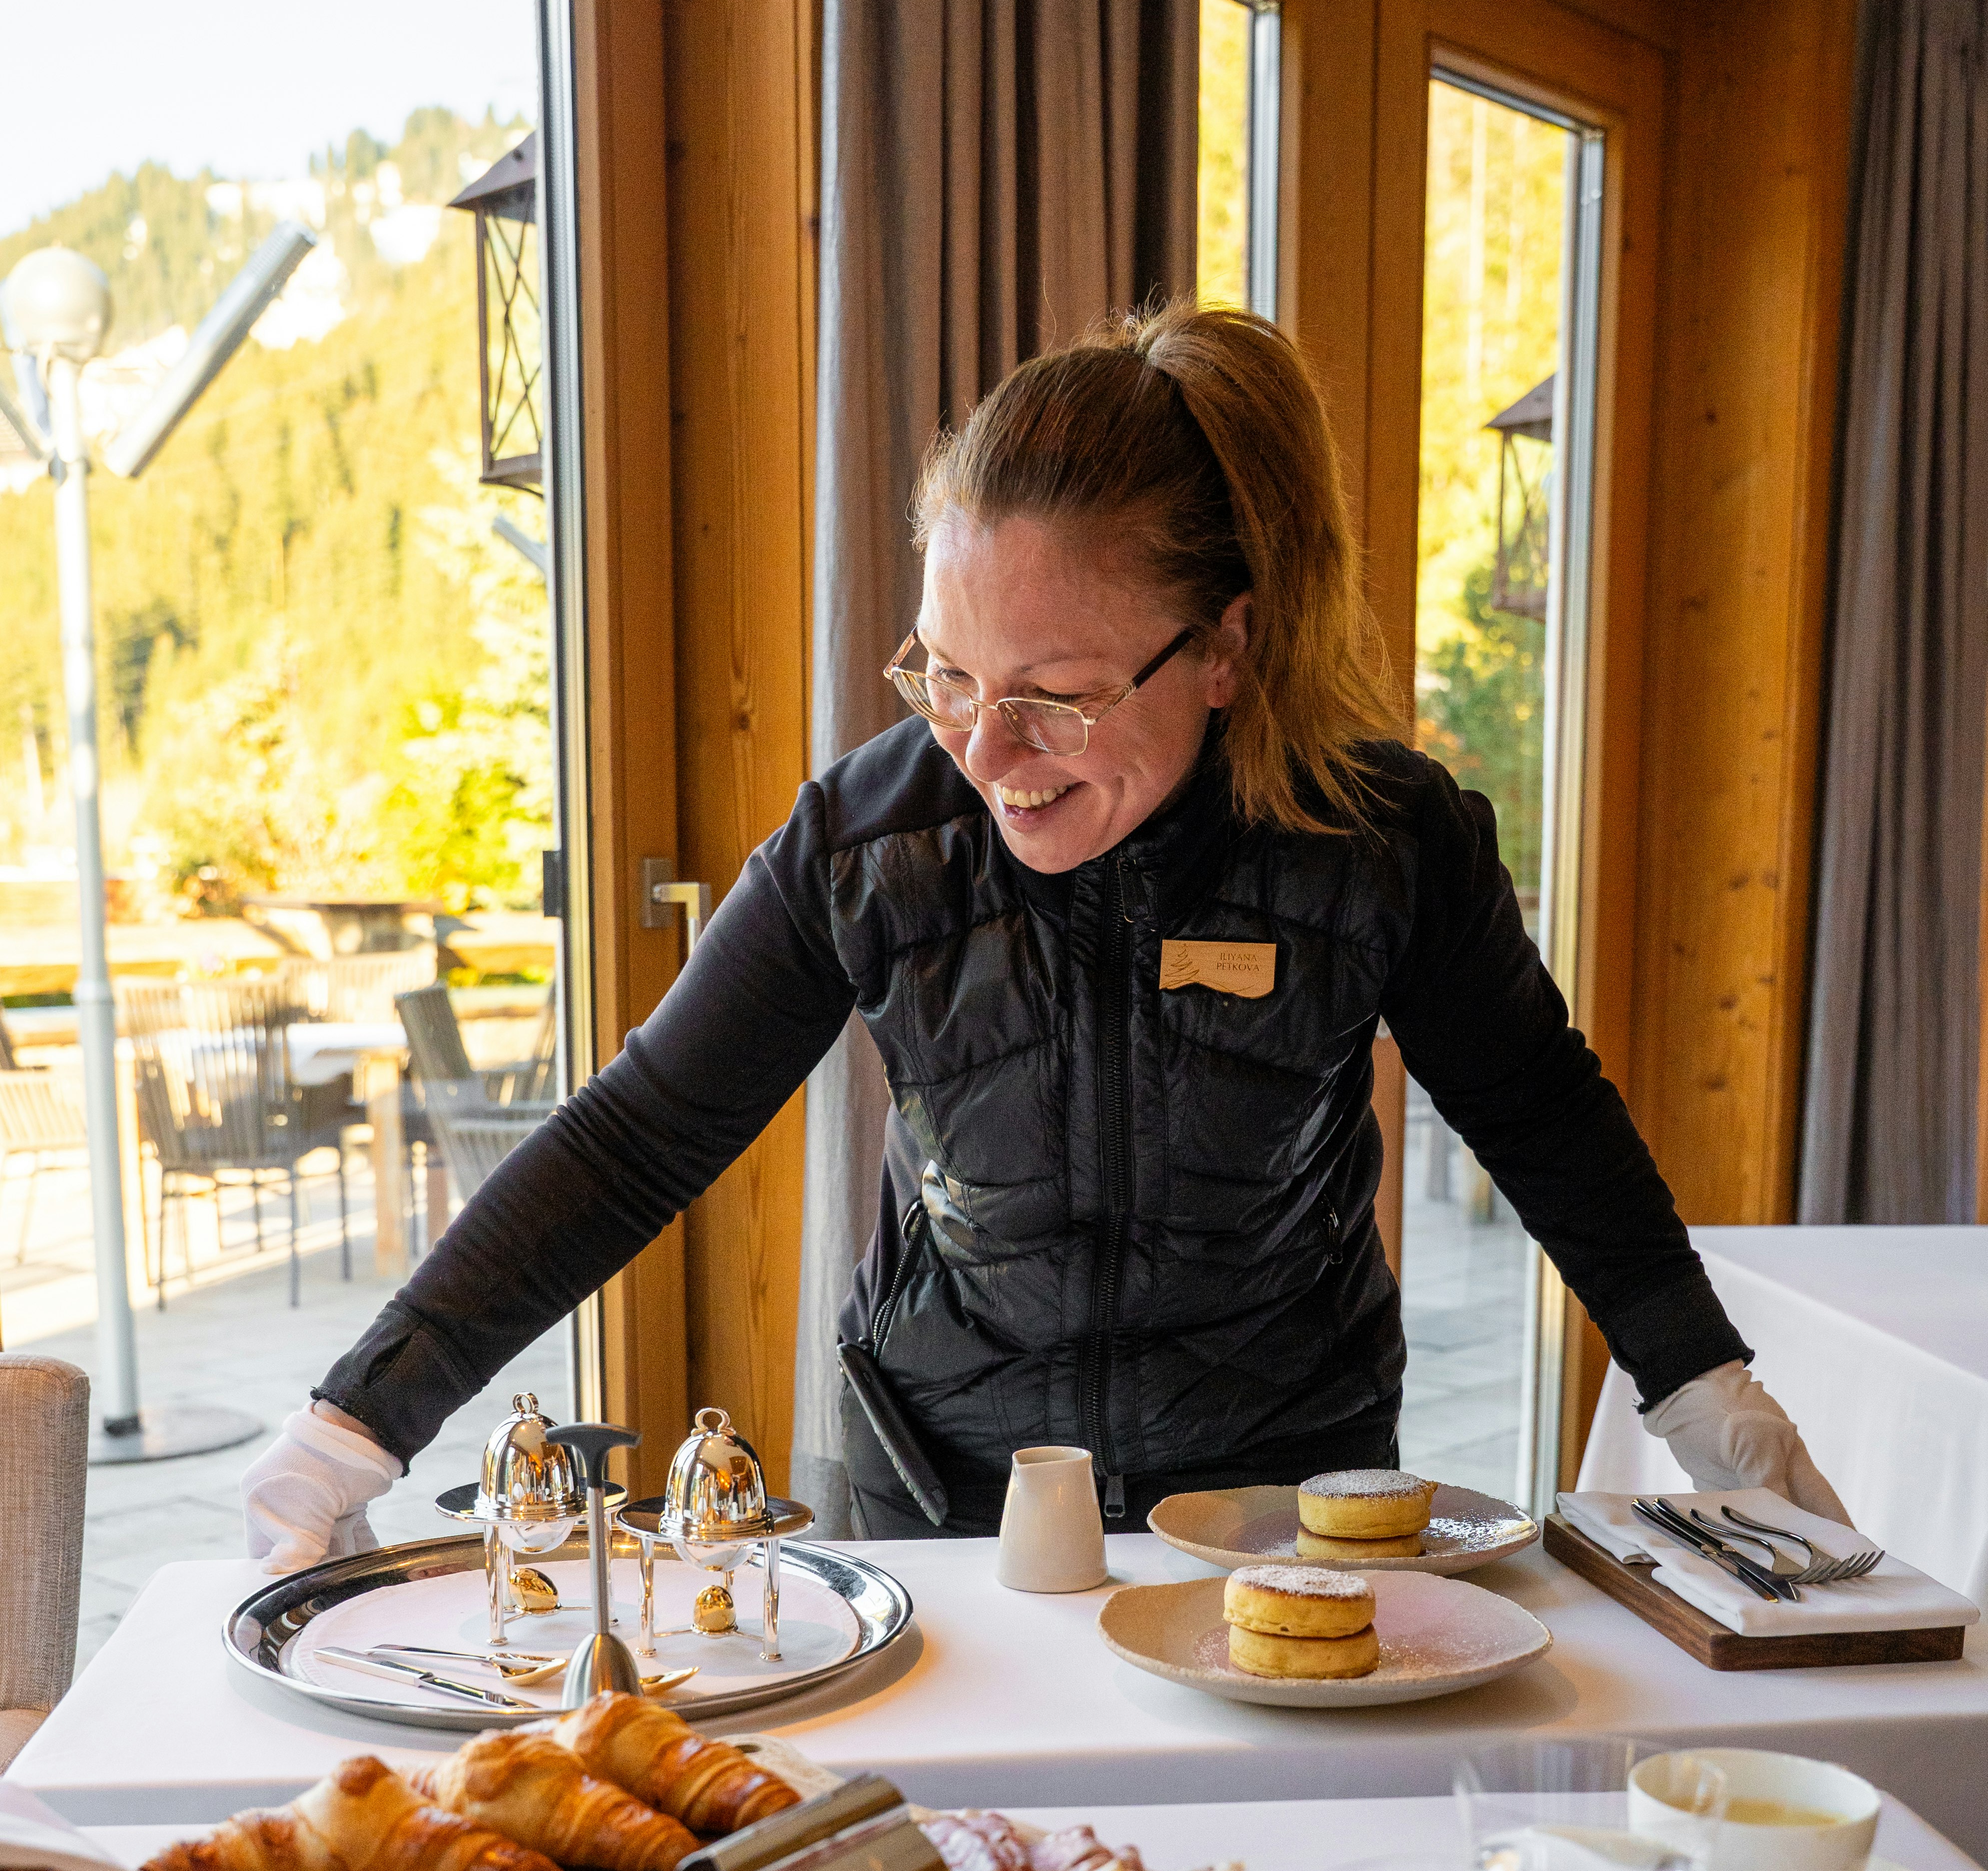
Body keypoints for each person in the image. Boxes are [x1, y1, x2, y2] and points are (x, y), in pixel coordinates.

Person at [242, 302, 1841, 1575]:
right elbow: (634, 1137)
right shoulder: (870, 846)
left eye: (1054, 695)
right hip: (945, 1500)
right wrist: (354, 1428)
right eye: (943, 675)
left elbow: (1543, 1123)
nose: (985, 752)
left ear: (1222, 648)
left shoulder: (1382, 843)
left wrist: (1709, 1400)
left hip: (1280, 1511)